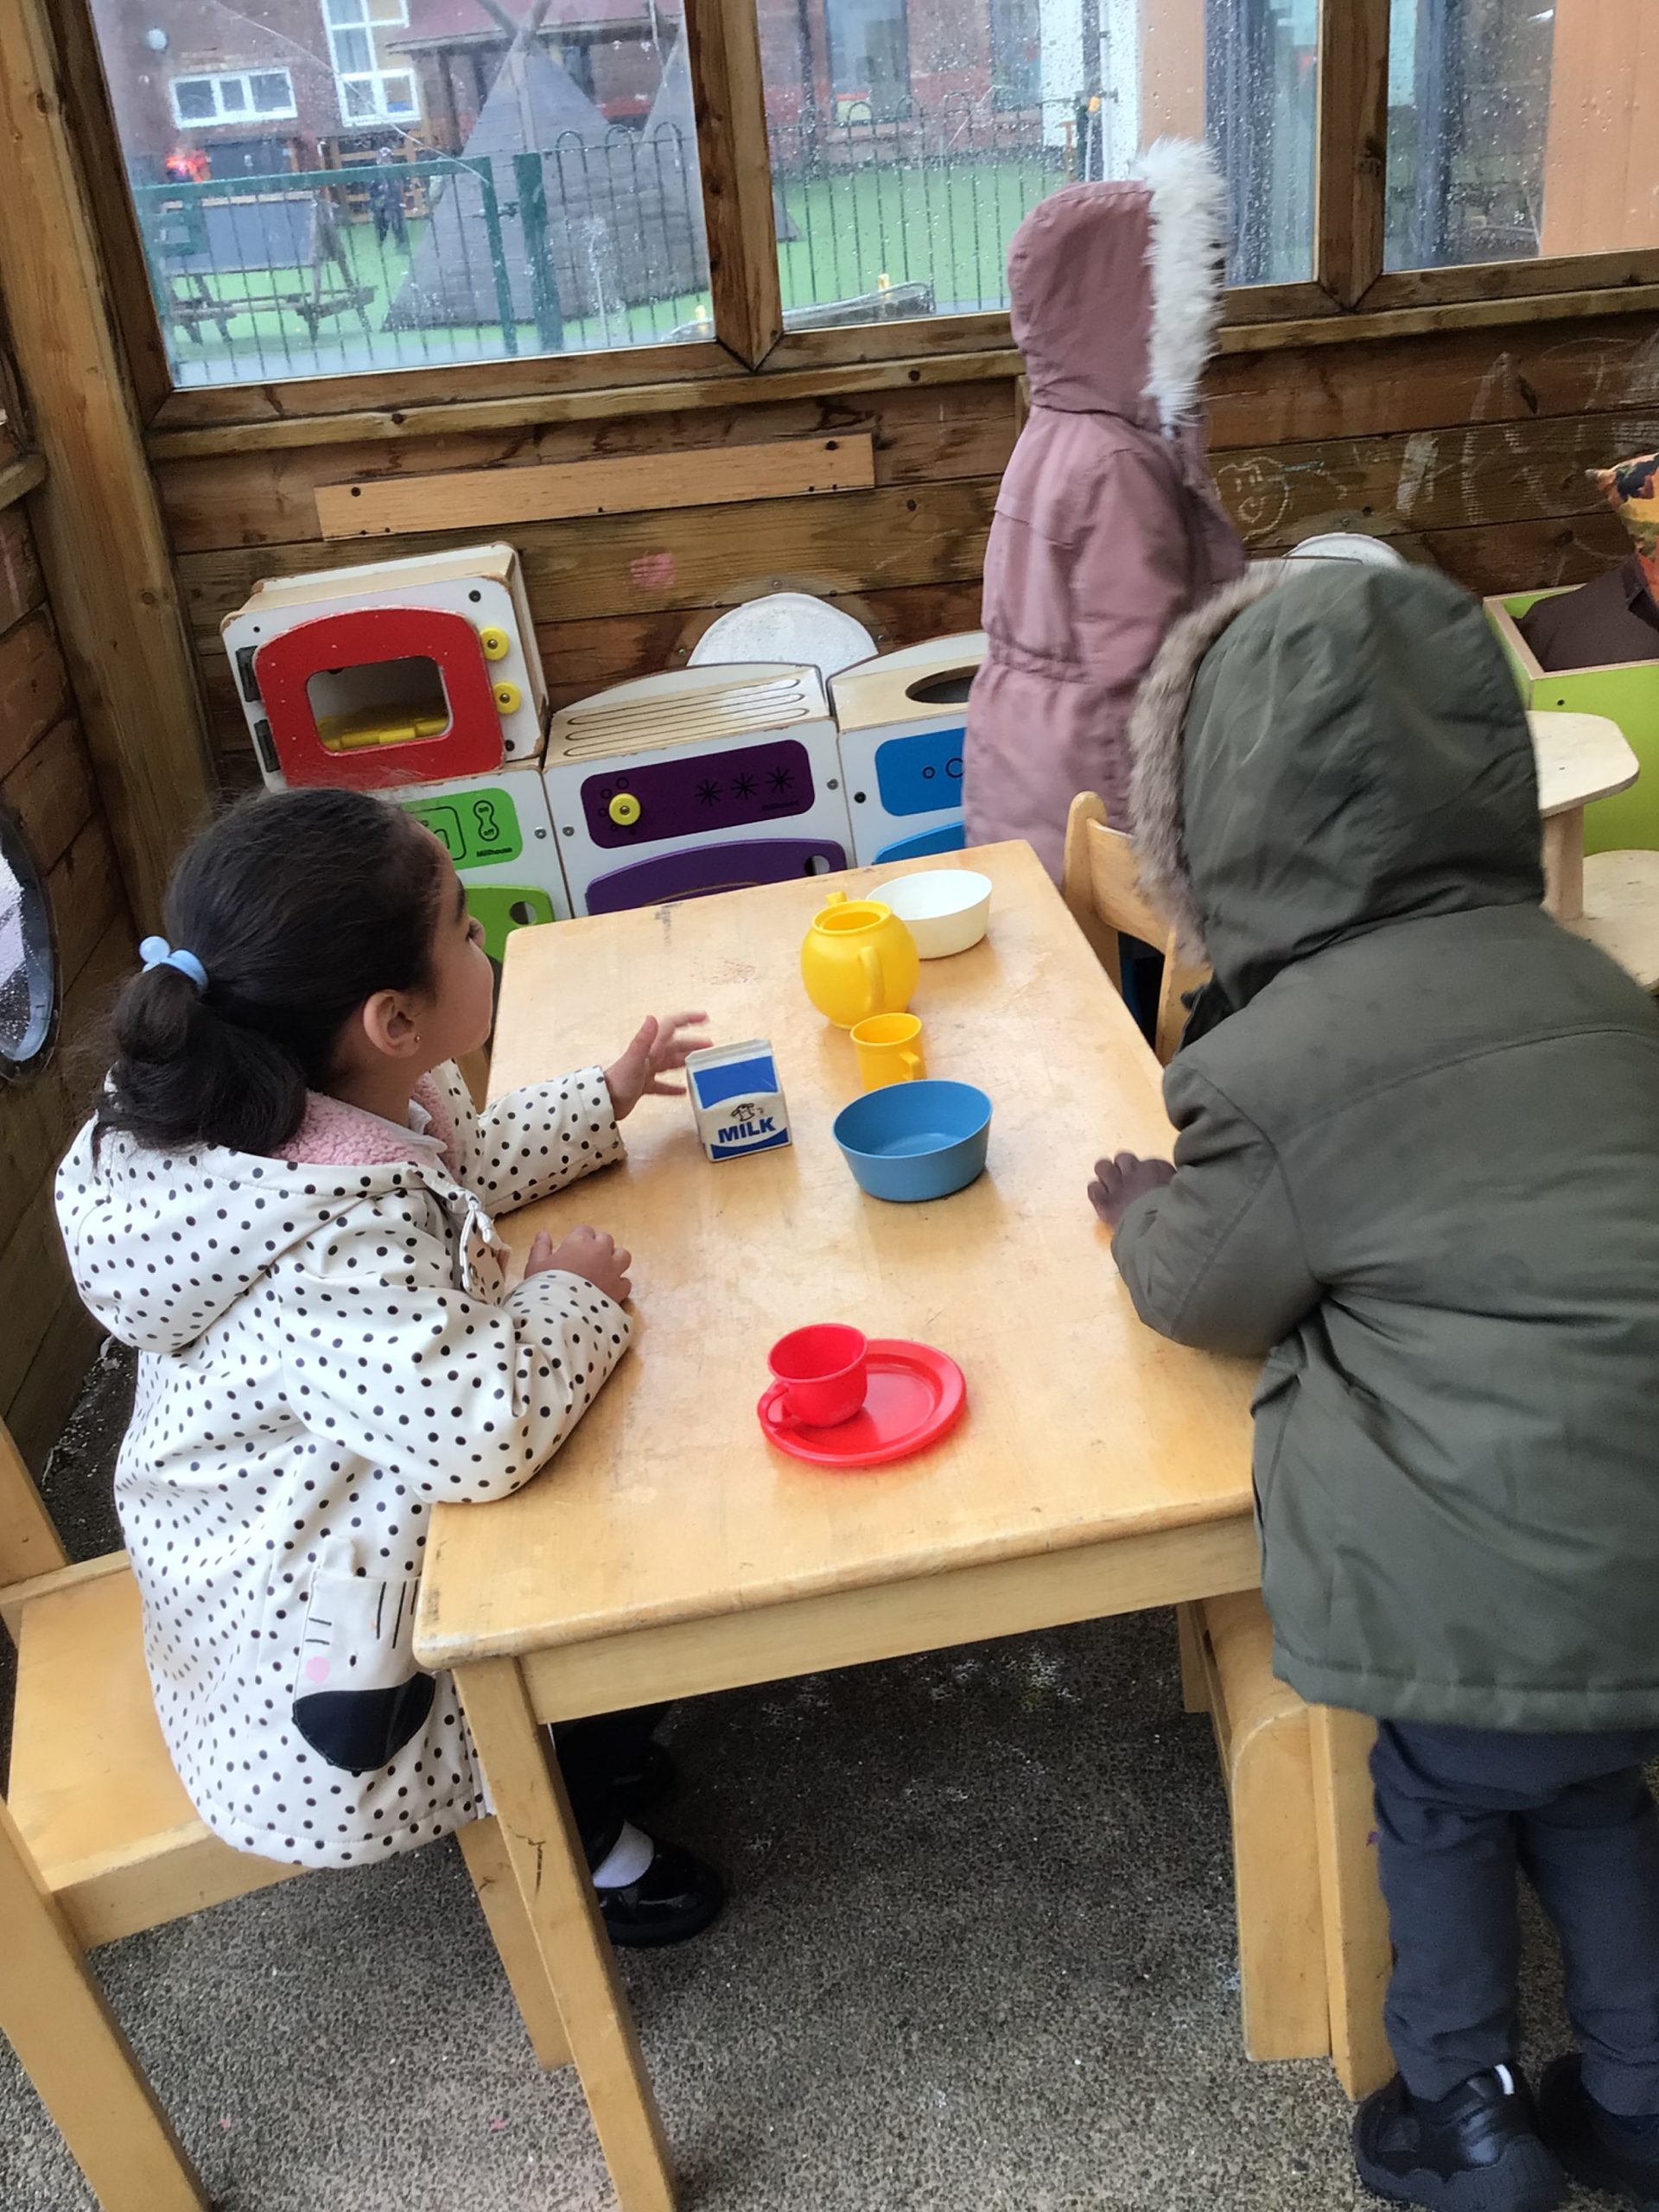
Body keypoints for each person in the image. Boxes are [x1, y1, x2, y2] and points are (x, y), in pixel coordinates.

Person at [1088, 561, 1659, 2212]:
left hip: (1474, 1588)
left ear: (1216, 823)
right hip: (1645, 1566)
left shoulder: (1276, 1062)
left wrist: (1140, 1209)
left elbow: (1206, 1289)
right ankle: (1640, 2103)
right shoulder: (1592, 984)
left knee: (1442, 1805)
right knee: (1595, 1795)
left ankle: (1464, 2115)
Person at [56, 788, 721, 1947]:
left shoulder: (311, 1099)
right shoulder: (325, 1241)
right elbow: (486, 1426)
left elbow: (458, 1168)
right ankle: (568, 1815)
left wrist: (604, 1097)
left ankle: (590, 1743)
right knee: (629, 1559)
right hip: (319, 1642)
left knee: (621, 1516)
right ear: (392, 1019)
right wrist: (571, 1295)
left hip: (336, 1515)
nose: (483, 934)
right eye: (463, 925)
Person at [963, 137, 1245, 888]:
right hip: (1101, 777)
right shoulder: (1118, 463)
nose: (1209, 330)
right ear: (1141, 312)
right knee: (1125, 943)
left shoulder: (1054, 429)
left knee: (1054, 937)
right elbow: (1147, 663)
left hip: (1028, 761)